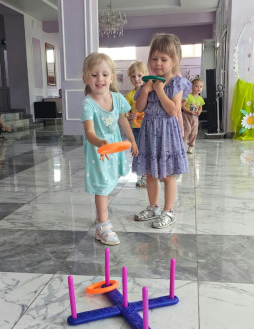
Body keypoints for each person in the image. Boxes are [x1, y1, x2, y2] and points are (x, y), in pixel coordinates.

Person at [132, 33, 191, 229]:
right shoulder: (147, 82)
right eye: (154, 58)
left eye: (164, 59)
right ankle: (153, 207)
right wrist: (146, 90)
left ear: (174, 61)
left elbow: (173, 110)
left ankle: (168, 211)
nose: (158, 63)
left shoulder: (176, 83)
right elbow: (140, 107)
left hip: (167, 133)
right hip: (149, 132)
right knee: (150, 173)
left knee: (167, 175)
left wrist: (159, 90)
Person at [81, 52, 139, 246]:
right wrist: (100, 143)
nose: (100, 79)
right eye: (94, 75)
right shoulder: (88, 104)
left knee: (109, 181)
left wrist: (133, 141)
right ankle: (102, 226)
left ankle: (101, 216)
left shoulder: (117, 98)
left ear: (112, 77)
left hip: (113, 148)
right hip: (98, 150)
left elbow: (123, 120)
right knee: (102, 185)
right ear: (86, 78)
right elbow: (89, 132)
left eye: (105, 74)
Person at [125, 60, 148, 187]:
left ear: (146, 75)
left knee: (150, 150)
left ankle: (153, 173)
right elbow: (125, 114)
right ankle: (143, 175)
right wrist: (130, 115)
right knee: (139, 151)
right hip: (137, 128)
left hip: (150, 127)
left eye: (140, 75)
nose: (137, 79)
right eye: (133, 76)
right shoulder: (130, 95)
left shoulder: (149, 91)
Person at [182, 78, 205, 154]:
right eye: (196, 86)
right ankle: (181, 144)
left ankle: (191, 146)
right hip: (186, 116)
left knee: (194, 132)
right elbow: (182, 105)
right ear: (192, 87)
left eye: (201, 86)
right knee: (187, 130)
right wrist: (189, 111)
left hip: (195, 117)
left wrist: (199, 111)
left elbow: (200, 107)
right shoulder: (188, 96)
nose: (199, 88)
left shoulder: (200, 99)